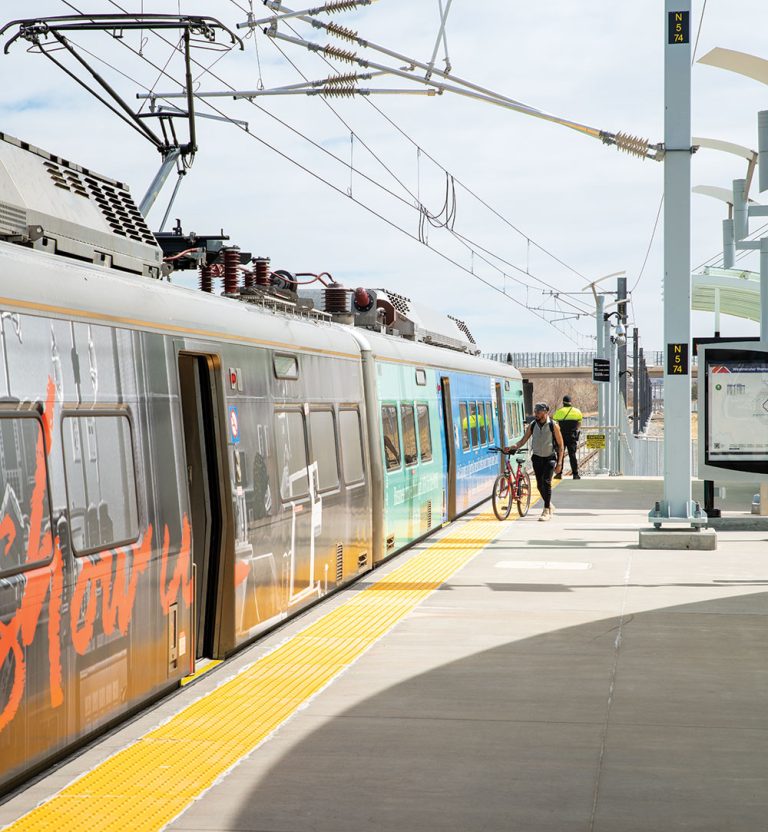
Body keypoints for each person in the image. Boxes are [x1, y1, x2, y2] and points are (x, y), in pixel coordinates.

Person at [506, 402, 564, 521]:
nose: (536, 414)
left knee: (546, 482)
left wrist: (559, 463)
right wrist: (514, 446)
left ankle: (546, 510)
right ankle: (549, 504)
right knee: (539, 485)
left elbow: (561, 445)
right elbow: (523, 440)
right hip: (537, 457)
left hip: (550, 458)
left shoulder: (554, 425)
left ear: (545, 412)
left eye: (538, 411)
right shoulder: (532, 425)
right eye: (535, 411)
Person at [552, 394, 583, 479]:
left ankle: (559, 474)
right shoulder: (577, 411)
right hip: (572, 436)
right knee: (572, 455)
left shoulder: (559, 412)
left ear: (563, 402)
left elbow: (555, 424)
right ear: (570, 402)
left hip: (561, 436)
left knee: (560, 454)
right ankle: (575, 474)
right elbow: (579, 424)